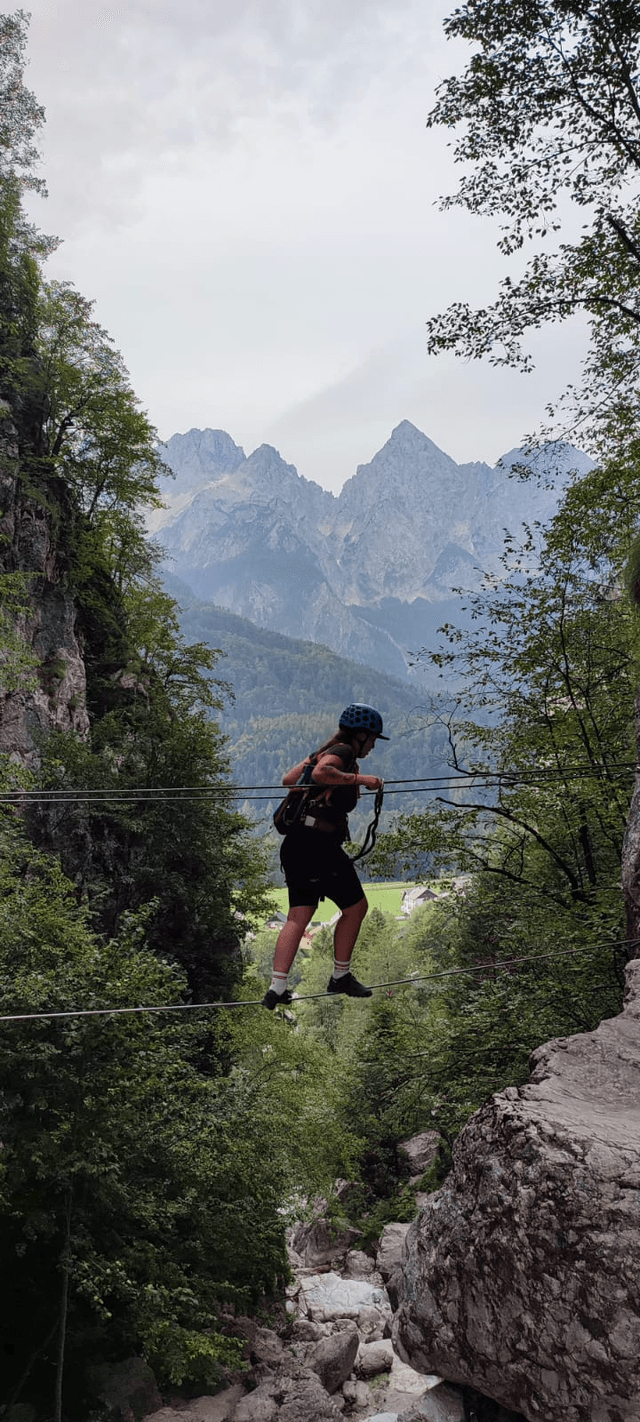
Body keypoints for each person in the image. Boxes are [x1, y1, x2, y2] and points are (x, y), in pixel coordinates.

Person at [262, 703, 387, 1009]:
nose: (372, 745)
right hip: (318, 847)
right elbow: (321, 773)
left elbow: (290, 779)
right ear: (359, 736)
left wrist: (325, 773)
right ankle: (340, 975)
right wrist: (361, 780)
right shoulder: (343, 752)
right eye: (371, 739)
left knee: (298, 917)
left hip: (295, 846)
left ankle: (277, 988)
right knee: (356, 907)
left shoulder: (324, 750)